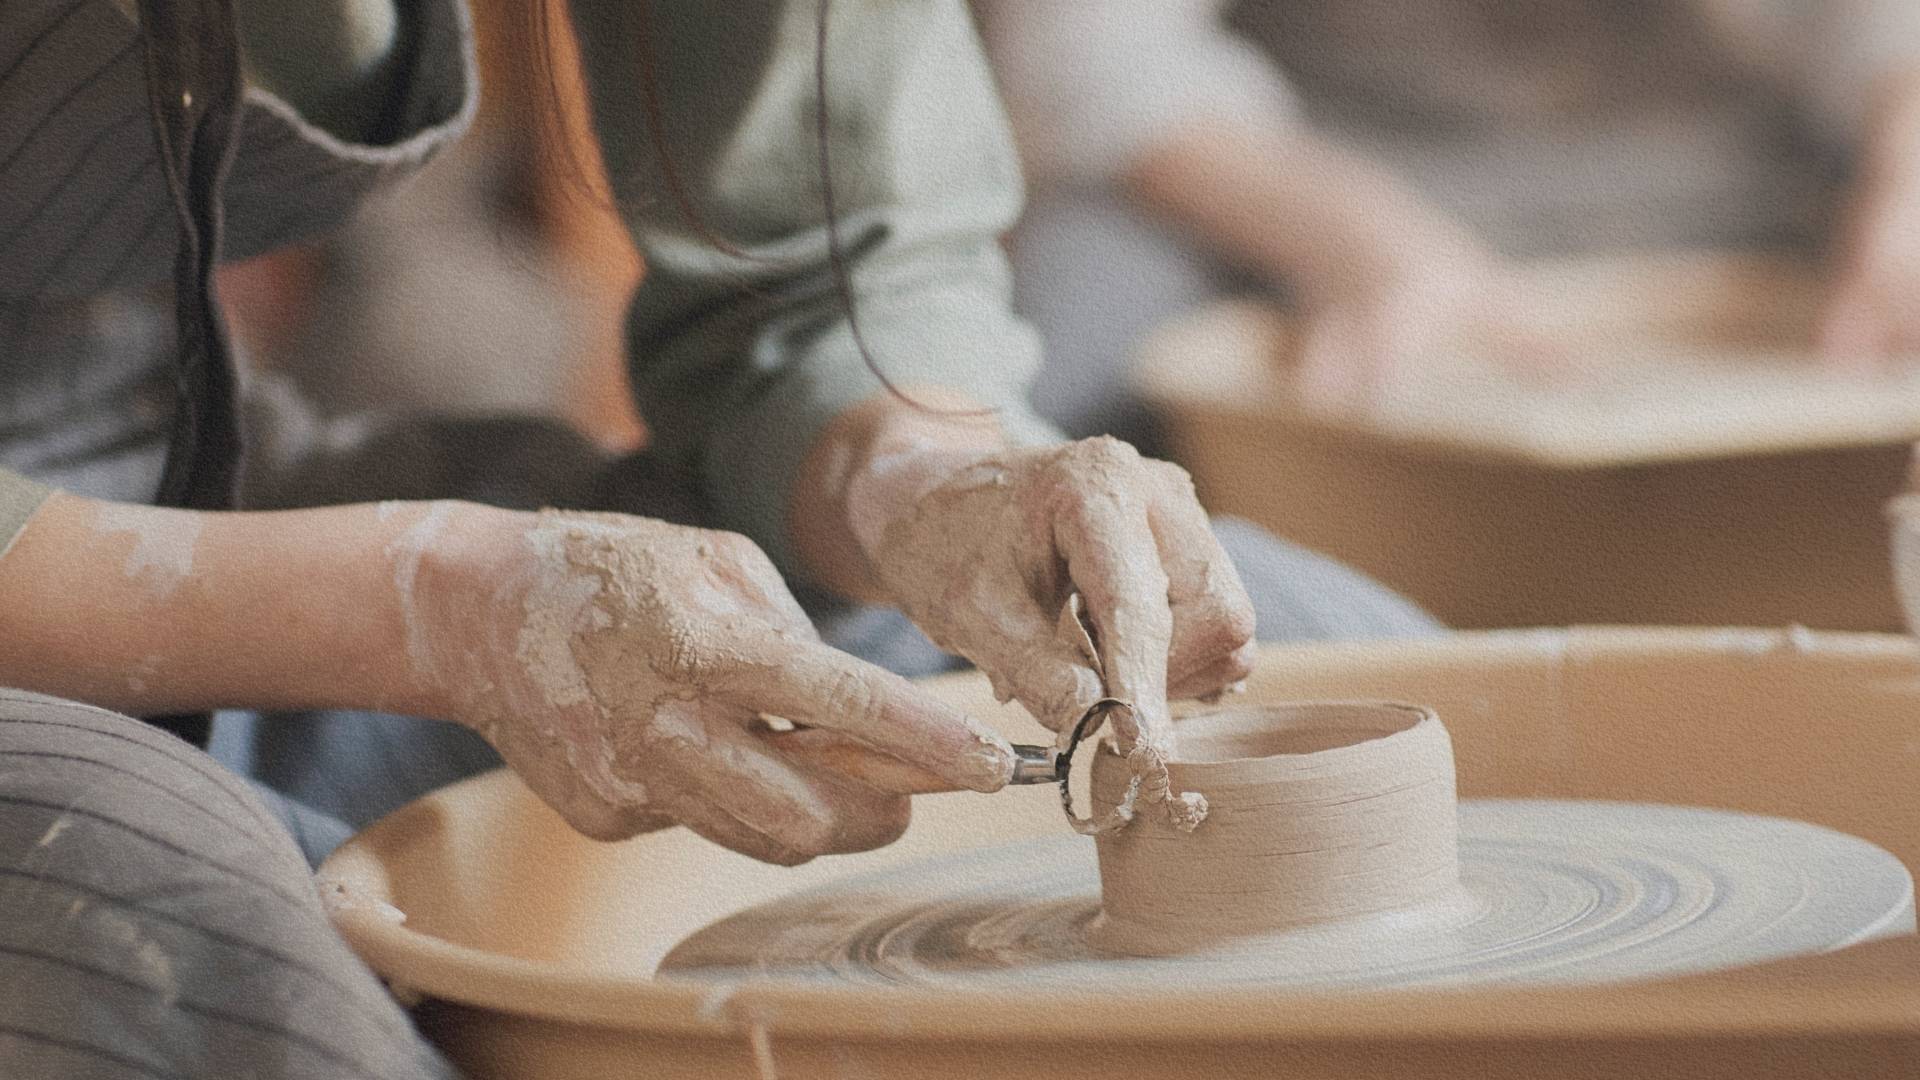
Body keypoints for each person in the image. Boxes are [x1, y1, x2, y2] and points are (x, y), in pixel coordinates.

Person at [0, 0, 1436, 1074]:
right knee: (221, 985)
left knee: (1341, 659)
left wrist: (923, 480)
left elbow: (821, 264)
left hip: (190, 455)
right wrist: (430, 603)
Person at [976, 0, 1920, 428]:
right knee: (1067, 313)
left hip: (1723, 161)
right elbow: (1088, 59)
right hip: (1312, 158)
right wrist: (1351, 233)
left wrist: (1904, 171)